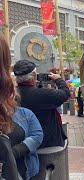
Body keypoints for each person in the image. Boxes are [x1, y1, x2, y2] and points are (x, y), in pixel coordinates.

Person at [0, 35, 43, 179]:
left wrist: (17, 150)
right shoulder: (44, 94)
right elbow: (63, 94)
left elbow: (37, 135)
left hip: (25, 170)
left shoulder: (20, 112)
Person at [13, 60, 70, 148]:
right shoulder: (42, 94)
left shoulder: (11, 95)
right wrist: (59, 80)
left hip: (23, 144)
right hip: (47, 144)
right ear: (34, 76)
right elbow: (65, 94)